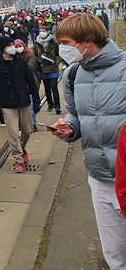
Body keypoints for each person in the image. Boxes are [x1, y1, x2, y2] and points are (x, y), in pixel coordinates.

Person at [49, 14, 126, 268]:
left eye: (66, 42)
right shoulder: (73, 75)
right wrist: (69, 127)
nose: (62, 48)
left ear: (88, 42)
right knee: (114, 252)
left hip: (124, 174)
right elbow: (77, 115)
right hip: (100, 177)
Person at [0, 35, 40, 173]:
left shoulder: (21, 62)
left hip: (23, 102)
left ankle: (21, 148)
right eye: (9, 45)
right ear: (2, 48)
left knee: (27, 131)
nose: (12, 47)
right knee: (13, 133)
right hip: (7, 104)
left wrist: (36, 100)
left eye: (13, 44)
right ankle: (18, 160)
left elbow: (30, 81)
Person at [34, 26, 62, 114]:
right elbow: (35, 55)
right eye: (40, 31)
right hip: (43, 69)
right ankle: (50, 105)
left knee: (54, 86)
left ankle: (57, 106)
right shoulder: (37, 43)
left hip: (53, 68)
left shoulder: (54, 42)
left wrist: (56, 62)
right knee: (47, 88)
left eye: (43, 31)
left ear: (48, 32)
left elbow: (59, 54)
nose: (41, 32)